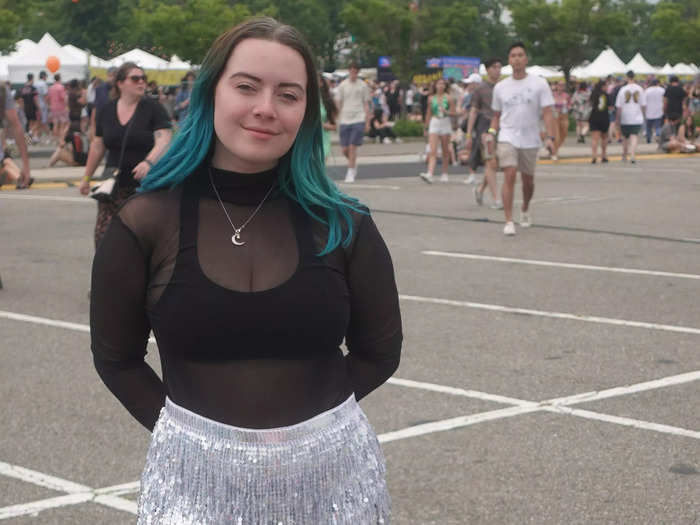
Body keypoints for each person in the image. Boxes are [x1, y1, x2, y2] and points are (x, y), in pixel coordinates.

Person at [89, 17, 400, 524]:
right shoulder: (145, 221)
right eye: (247, 87)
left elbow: (381, 351)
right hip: (195, 487)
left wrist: (314, 432)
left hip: (331, 483)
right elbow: (116, 358)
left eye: (288, 94)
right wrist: (192, 440)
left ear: (306, 111)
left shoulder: (345, 223)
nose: (265, 108)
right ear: (212, 91)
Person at [80, 62, 173, 247]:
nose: (141, 82)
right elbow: (98, 146)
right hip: (112, 185)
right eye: (135, 78)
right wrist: (86, 177)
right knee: (104, 239)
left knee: (139, 241)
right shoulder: (106, 110)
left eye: (143, 78)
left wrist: (148, 162)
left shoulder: (153, 108)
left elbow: (164, 138)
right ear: (120, 83)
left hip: (144, 186)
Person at [490, 42, 556, 236]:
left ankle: (525, 207)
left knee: (528, 181)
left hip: (530, 138)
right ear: (508, 61)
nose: (516, 59)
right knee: (509, 173)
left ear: (526, 59)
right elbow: (496, 115)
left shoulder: (539, 83)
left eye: (520, 55)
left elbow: (548, 113)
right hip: (507, 135)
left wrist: (551, 137)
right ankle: (509, 220)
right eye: (513, 55)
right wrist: (491, 133)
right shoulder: (501, 87)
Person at [467, 58, 503, 208]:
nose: (497, 70)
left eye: (499, 67)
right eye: (494, 67)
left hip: (503, 127)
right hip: (485, 126)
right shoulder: (480, 89)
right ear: (487, 69)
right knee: (489, 160)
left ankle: (481, 189)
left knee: (496, 163)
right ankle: (496, 199)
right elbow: (473, 111)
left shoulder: (504, 86)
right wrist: (469, 134)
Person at [336, 62, 371, 183]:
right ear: (349, 71)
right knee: (344, 149)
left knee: (352, 147)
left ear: (358, 72)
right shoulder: (342, 85)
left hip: (358, 117)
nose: (353, 73)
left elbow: (366, 104)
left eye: (355, 71)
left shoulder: (363, 86)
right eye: (351, 70)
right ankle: (353, 163)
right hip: (345, 119)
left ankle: (350, 172)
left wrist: (367, 121)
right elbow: (338, 103)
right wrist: (337, 119)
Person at [418, 78, 455, 183]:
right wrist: (426, 127)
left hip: (445, 121)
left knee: (445, 150)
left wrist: (447, 112)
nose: (441, 86)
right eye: (439, 84)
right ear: (435, 86)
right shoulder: (431, 98)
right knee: (432, 150)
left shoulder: (449, 98)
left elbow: (454, 113)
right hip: (435, 121)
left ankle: (444, 173)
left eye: (443, 84)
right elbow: (428, 113)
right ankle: (430, 173)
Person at [0, 82, 32, 188]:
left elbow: (15, 126)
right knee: (6, 162)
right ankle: (18, 175)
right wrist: (26, 167)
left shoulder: (3, 90)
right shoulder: (3, 89)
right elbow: (16, 126)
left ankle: (18, 176)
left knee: (6, 162)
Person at [615, 70, 646, 164]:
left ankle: (624, 155)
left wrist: (617, 118)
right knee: (634, 136)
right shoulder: (640, 89)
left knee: (625, 137)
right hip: (636, 116)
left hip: (625, 116)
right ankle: (632, 155)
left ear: (627, 77)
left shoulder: (623, 89)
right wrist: (643, 114)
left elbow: (619, 106)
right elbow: (643, 104)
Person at [588, 80, 610, 164]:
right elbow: (610, 106)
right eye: (606, 86)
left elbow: (590, 104)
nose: (607, 88)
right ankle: (603, 156)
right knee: (604, 138)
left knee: (594, 139)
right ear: (603, 86)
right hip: (604, 117)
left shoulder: (593, 94)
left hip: (594, 117)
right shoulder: (606, 95)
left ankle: (594, 156)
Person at [319, 74, 338, 161]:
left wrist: (320, 125)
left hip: (322, 141)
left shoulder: (327, 101)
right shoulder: (303, 99)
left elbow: (334, 126)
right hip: (305, 140)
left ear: (322, 83)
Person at [47, 74, 69, 144]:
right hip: (61, 108)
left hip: (53, 108)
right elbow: (63, 98)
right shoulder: (61, 87)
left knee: (55, 124)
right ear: (60, 79)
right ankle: (60, 139)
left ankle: (55, 139)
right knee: (62, 124)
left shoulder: (51, 88)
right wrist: (67, 104)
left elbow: (48, 98)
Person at [551, 80, 571, 156]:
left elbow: (570, 104)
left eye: (563, 85)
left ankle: (553, 148)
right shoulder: (553, 95)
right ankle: (554, 152)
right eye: (559, 85)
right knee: (557, 135)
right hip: (555, 116)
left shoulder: (566, 95)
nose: (561, 87)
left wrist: (568, 108)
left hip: (564, 116)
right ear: (557, 86)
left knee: (564, 133)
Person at [20, 73, 41, 141]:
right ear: (32, 78)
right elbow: (35, 99)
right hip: (33, 108)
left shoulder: (23, 88)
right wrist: (39, 108)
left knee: (29, 123)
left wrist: (23, 109)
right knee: (36, 122)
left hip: (26, 108)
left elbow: (21, 100)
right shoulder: (33, 88)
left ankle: (30, 138)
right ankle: (32, 134)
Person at [644, 79, 665, 143]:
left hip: (649, 111)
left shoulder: (647, 91)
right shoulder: (662, 90)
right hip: (659, 110)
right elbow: (665, 100)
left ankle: (648, 138)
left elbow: (644, 102)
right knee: (658, 126)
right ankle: (658, 136)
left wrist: (644, 111)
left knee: (648, 126)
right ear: (658, 83)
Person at [35, 71, 50, 142]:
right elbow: (45, 95)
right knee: (44, 121)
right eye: (46, 76)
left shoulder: (36, 83)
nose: (46, 78)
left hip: (36, 104)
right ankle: (48, 138)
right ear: (44, 76)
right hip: (43, 105)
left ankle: (37, 137)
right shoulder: (43, 84)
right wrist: (48, 104)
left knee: (38, 121)